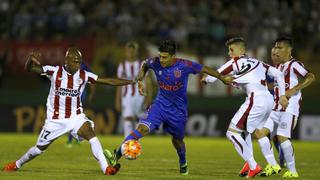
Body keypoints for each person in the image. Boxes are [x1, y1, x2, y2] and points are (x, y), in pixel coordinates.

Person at [104, 40, 233, 175]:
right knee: (141, 128)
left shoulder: (184, 65)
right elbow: (145, 65)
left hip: (178, 111)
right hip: (159, 105)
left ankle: (183, 162)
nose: (161, 60)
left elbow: (205, 69)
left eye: (165, 57)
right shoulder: (155, 62)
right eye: (160, 56)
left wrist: (222, 78)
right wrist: (140, 79)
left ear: (173, 56)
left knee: (177, 140)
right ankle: (116, 156)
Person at [3, 47, 134, 175]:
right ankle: (17, 164)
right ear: (67, 61)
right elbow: (30, 69)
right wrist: (30, 60)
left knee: (91, 134)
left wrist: (131, 82)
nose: (78, 64)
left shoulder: (84, 75)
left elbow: (108, 81)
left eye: (80, 61)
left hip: (75, 117)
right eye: (75, 61)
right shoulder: (54, 71)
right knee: (38, 149)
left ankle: (106, 168)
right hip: (55, 120)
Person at [202, 37, 288, 178]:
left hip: (256, 99)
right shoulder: (258, 62)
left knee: (232, 133)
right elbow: (279, 74)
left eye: (231, 50)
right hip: (268, 99)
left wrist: (206, 79)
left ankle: (253, 165)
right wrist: (283, 96)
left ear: (241, 50)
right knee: (255, 132)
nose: (229, 53)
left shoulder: (235, 62)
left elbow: (216, 75)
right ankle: (272, 164)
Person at [255, 36, 316, 178]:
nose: (276, 50)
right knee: (260, 133)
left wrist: (295, 89)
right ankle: (274, 165)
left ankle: (293, 172)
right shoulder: (277, 67)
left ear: (289, 50)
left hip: (290, 107)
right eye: (275, 47)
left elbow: (311, 76)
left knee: (282, 136)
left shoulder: (295, 64)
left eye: (280, 47)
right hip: (276, 108)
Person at [115, 42, 152, 137]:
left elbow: (148, 82)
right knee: (127, 118)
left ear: (136, 52)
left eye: (133, 51)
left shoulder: (142, 64)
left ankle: (135, 144)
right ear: (125, 52)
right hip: (126, 96)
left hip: (140, 96)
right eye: (129, 51)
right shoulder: (122, 65)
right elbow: (119, 83)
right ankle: (127, 144)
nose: (130, 53)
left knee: (138, 120)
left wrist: (148, 98)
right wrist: (117, 100)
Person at [65, 62, 96, 148]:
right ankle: (71, 140)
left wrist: (91, 94)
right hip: (71, 94)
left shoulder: (85, 66)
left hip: (80, 94)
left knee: (75, 116)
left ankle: (73, 140)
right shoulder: (68, 66)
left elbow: (92, 80)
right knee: (73, 117)